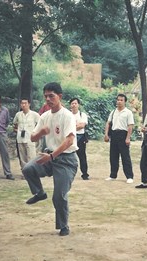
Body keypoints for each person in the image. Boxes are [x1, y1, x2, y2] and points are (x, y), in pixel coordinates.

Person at [22, 82, 78, 236]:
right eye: (45, 96)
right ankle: (39, 193)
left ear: (59, 96)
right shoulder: (45, 116)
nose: (48, 99)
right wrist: (41, 132)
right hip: (48, 156)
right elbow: (33, 137)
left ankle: (63, 225)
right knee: (28, 168)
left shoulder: (67, 116)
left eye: (51, 96)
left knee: (59, 196)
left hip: (66, 160)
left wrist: (52, 156)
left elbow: (69, 141)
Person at [104, 93, 134, 184]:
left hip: (123, 134)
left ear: (125, 102)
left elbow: (130, 126)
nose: (119, 102)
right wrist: (106, 134)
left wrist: (128, 138)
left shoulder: (128, 112)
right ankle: (113, 175)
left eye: (121, 100)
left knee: (125, 157)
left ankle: (129, 176)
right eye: (118, 100)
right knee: (113, 156)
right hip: (114, 134)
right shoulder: (113, 112)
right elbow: (108, 123)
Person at [13, 98, 40, 171]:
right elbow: (15, 124)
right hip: (20, 138)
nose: (24, 105)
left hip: (30, 138)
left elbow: (40, 124)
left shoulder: (35, 114)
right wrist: (17, 130)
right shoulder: (18, 114)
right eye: (22, 103)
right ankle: (24, 172)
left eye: (25, 103)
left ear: (29, 104)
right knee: (22, 157)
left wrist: (36, 133)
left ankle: (32, 171)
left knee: (31, 156)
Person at [69, 97, 89, 180]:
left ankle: (85, 174)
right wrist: (76, 126)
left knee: (82, 156)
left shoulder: (82, 115)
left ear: (78, 105)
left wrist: (72, 127)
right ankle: (69, 173)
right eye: (72, 103)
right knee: (69, 155)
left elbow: (82, 126)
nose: (74, 105)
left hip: (80, 137)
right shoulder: (68, 114)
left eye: (75, 103)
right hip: (70, 137)